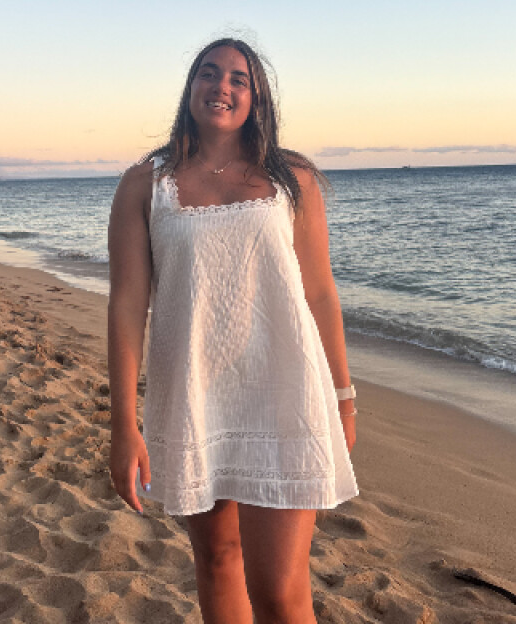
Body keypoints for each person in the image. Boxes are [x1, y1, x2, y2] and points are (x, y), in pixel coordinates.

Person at [108, 37, 358, 624]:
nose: (221, 86)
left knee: (280, 592)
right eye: (209, 73)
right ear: (190, 87)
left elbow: (320, 293)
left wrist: (344, 396)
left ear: (256, 98)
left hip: (285, 394)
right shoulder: (145, 185)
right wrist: (123, 425)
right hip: (195, 394)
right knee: (218, 560)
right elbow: (126, 306)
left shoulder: (292, 180)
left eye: (238, 79)